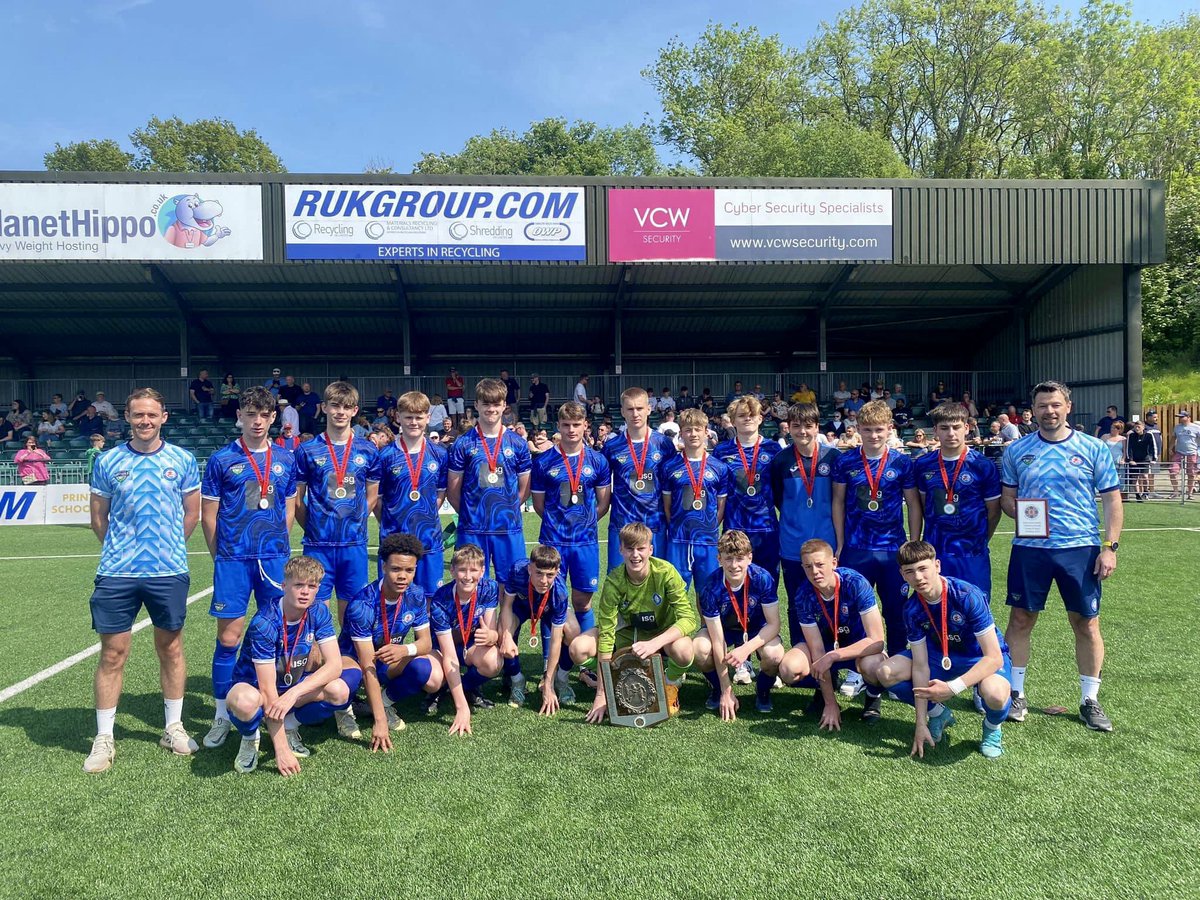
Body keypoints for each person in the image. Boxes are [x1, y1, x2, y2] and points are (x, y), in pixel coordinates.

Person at [83, 388, 201, 774]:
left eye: (152, 414)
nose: (145, 421)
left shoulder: (183, 460)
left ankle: (173, 727)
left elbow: (192, 516)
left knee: (171, 649)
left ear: (164, 416)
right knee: (113, 653)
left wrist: (164, 549)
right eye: (138, 415)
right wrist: (124, 550)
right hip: (118, 572)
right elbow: (98, 518)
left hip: (167, 570)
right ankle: (104, 737)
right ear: (127, 418)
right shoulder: (109, 461)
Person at [1001, 381, 1122, 731]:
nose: (1049, 411)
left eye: (1055, 404)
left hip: (1080, 549)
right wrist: (1021, 511)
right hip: (1031, 550)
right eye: (1042, 406)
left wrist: (1109, 547)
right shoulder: (1016, 451)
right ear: (1033, 410)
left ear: (1067, 406)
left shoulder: (1093, 448)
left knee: (1085, 623)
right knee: (1021, 620)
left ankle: (1090, 700)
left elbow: (1112, 500)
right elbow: (1008, 498)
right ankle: (1016, 694)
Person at [199, 386, 298, 749]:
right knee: (229, 638)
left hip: (273, 558)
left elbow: (288, 508)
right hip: (233, 560)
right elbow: (209, 517)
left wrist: (275, 543)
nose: (257, 421)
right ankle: (222, 713)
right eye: (250, 414)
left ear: (274, 418)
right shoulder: (221, 459)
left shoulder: (287, 458)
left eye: (264, 415)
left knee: (282, 636)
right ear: (239, 415)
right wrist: (221, 556)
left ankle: (285, 713)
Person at [872, 541, 1013, 759]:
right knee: (885, 672)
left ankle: (992, 728)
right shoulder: (912, 609)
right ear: (902, 575)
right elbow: (920, 666)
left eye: (923, 569)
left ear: (937, 565)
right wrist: (920, 722)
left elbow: (993, 658)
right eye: (910, 572)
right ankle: (938, 714)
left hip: (979, 657)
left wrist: (953, 688)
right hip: (939, 657)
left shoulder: (967, 595)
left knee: (995, 694)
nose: (918, 577)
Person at [224, 556, 351, 776]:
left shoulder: (318, 611)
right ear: (284, 586)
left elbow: (335, 665)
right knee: (246, 702)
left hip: (291, 684)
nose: (305, 592)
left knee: (339, 691)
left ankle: (291, 725)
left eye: (311, 586)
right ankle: (250, 736)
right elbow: (267, 689)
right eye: (299, 585)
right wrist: (280, 750)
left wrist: (294, 694)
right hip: (255, 688)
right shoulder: (264, 623)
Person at [832, 400, 921, 671]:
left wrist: (913, 543)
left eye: (879, 429)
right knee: (851, 610)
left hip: (892, 549)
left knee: (896, 609)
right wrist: (840, 542)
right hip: (856, 548)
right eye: (868, 429)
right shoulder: (845, 461)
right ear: (858, 428)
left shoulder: (903, 463)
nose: (874, 435)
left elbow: (914, 504)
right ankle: (853, 669)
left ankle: (896, 661)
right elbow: (838, 501)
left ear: (890, 429)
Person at [581, 523, 698, 722]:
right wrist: (602, 694)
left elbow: (689, 618)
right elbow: (607, 634)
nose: (635, 555)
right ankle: (615, 675)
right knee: (579, 648)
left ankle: (670, 681)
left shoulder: (666, 572)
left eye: (641, 548)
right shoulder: (614, 581)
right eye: (629, 549)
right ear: (621, 550)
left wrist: (655, 643)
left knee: (685, 651)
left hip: (660, 635)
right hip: (629, 633)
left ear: (650, 549)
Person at [337, 533, 443, 745]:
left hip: (388, 657)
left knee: (427, 672)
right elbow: (367, 663)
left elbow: (425, 643)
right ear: (383, 566)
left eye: (409, 570)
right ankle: (343, 711)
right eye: (396, 569)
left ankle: (384, 702)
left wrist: (404, 650)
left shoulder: (416, 595)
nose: (402, 576)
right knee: (351, 680)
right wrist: (380, 721)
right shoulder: (363, 605)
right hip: (355, 660)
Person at [295, 382, 382, 619]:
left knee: (352, 616)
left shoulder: (368, 450)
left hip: (353, 545)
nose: (340, 412)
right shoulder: (308, 450)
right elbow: (297, 502)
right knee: (312, 616)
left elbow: (372, 496)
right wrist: (314, 527)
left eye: (347, 406)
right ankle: (313, 657)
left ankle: (346, 656)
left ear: (355, 411)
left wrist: (356, 521)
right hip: (317, 546)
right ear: (324, 407)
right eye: (335, 406)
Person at [532, 401, 611, 660]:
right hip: (553, 542)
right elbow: (539, 505)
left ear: (586, 425)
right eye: (566, 425)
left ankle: (586, 660)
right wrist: (560, 524)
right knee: (549, 602)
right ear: (558, 426)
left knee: (583, 602)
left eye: (577, 425)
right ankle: (548, 663)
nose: (571, 430)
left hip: (585, 543)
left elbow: (603, 502)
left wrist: (585, 523)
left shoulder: (598, 461)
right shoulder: (544, 461)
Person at [779, 539, 886, 727]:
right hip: (825, 646)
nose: (815, 572)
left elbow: (877, 641)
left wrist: (833, 656)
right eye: (808, 567)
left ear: (834, 563)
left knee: (875, 666)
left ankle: (872, 696)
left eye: (820, 564)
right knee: (788, 669)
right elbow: (817, 650)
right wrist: (831, 704)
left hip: (858, 647)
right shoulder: (803, 594)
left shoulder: (855, 583)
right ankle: (825, 692)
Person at [713, 395, 782, 686]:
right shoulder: (722, 451)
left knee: (764, 594)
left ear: (760, 418)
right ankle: (741, 661)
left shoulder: (773, 450)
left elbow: (779, 491)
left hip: (767, 532)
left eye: (752, 415)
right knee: (736, 595)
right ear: (733, 420)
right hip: (736, 531)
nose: (747, 419)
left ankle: (767, 657)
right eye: (741, 415)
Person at [447, 378, 532, 582]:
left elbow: (525, 489)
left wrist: (507, 508)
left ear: (504, 405)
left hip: (508, 527)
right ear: (476, 405)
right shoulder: (463, 444)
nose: (491, 409)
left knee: (512, 586)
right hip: (472, 528)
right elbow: (453, 491)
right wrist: (472, 513)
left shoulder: (518, 444)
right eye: (485, 403)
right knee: (470, 586)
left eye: (496, 404)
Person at [914, 403, 1001, 599]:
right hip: (935, 552)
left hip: (972, 553)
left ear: (967, 428)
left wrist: (980, 539)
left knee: (975, 611)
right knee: (935, 610)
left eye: (956, 427)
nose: (951, 433)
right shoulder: (923, 465)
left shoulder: (983, 466)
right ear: (935, 430)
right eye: (944, 428)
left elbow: (994, 511)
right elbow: (922, 506)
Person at [695, 530, 784, 717]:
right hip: (725, 630)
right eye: (728, 559)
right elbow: (718, 640)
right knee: (699, 648)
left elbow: (774, 625)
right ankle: (719, 689)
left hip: (756, 630)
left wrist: (746, 649)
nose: (734, 565)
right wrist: (727, 689)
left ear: (749, 558)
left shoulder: (762, 578)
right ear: (719, 559)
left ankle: (763, 691)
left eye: (739, 558)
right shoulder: (710, 587)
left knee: (774, 654)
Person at [376, 391, 449, 596]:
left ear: (428, 418)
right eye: (408, 417)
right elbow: (378, 501)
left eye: (419, 417)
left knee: (430, 601)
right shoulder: (385, 455)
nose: (414, 422)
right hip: (394, 541)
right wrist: (391, 522)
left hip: (429, 540)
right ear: (398, 417)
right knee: (390, 602)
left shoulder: (440, 454)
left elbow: (440, 495)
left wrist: (425, 516)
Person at [601, 387, 678, 576]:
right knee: (618, 581)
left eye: (639, 408)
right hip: (622, 524)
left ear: (649, 409)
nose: (635, 414)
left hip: (655, 524)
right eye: (630, 409)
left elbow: (672, 485)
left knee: (657, 580)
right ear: (622, 411)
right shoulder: (612, 446)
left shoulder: (664, 444)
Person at [429, 544, 504, 733]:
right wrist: (462, 709)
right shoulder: (441, 599)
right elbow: (450, 656)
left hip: (469, 644)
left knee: (493, 660)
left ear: (482, 571)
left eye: (473, 570)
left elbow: (492, 633)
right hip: (443, 647)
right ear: (452, 570)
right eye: (462, 570)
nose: (468, 576)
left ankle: (462, 688)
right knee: (433, 680)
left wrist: (492, 635)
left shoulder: (489, 587)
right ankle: (442, 689)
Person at [498, 545, 575, 712]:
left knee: (573, 633)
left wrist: (549, 684)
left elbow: (556, 640)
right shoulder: (517, 571)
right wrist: (506, 635)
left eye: (550, 575)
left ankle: (561, 679)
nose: (543, 580)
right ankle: (517, 681)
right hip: (522, 607)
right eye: (538, 572)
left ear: (558, 572)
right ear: (529, 568)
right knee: (502, 634)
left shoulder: (559, 593)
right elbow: (506, 605)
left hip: (549, 607)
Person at [661, 408, 730, 591]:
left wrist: (710, 528)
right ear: (681, 433)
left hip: (707, 541)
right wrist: (677, 527)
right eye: (688, 430)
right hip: (679, 540)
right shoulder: (669, 466)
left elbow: (721, 506)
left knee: (707, 594)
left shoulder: (719, 467)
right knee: (676, 594)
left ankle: (705, 622)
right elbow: (667, 506)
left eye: (698, 429)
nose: (693, 434)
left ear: (706, 431)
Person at [1170, 409, 1200, 500]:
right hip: (1179, 452)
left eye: (1182, 417)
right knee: (1172, 471)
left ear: (1188, 417)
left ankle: (1190, 493)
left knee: (1191, 474)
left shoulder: (1196, 428)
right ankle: (1176, 492)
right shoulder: (1177, 427)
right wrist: (1170, 448)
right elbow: (1173, 438)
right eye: (1179, 417)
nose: (1180, 418)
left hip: (1192, 453)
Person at [1125, 418, 1154, 501]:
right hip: (1134, 459)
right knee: (1135, 478)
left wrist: (1153, 458)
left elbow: (1153, 447)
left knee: (1145, 476)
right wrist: (1130, 459)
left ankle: (1145, 492)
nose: (1137, 428)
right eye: (1135, 427)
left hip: (1145, 459)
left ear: (1143, 427)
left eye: (1139, 427)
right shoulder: (1131, 436)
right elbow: (1129, 448)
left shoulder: (1148, 435)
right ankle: (1137, 495)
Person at [1101, 422, 1127, 495]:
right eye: (1112, 427)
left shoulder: (1123, 439)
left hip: (1118, 460)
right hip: (1107, 460)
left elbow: (1124, 451)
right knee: (1107, 477)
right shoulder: (1105, 437)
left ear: (1119, 429)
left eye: (1115, 428)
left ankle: (1121, 493)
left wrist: (1123, 459)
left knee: (1120, 478)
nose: (1112, 429)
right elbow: (1100, 448)